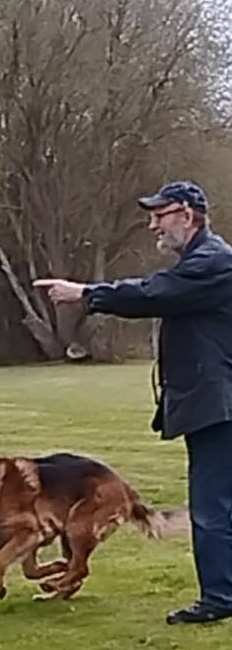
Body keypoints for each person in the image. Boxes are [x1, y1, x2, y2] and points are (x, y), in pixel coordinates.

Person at [33, 180, 232, 625]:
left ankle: (220, 598)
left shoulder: (212, 262)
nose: (153, 225)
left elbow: (151, 293)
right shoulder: (206, 262)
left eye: (160, 216)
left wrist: (86, 293)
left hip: (220, 406)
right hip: (216, 402)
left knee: (212, 506)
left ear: (186, 215)